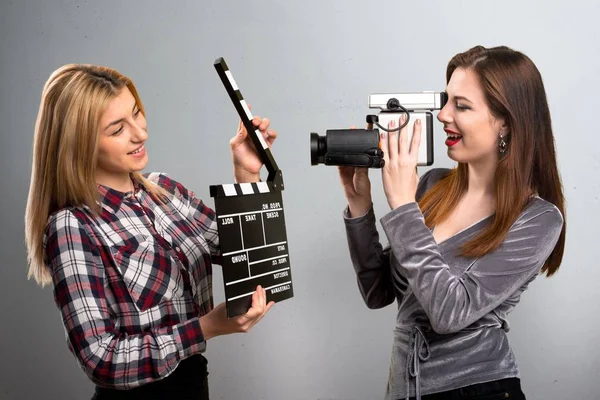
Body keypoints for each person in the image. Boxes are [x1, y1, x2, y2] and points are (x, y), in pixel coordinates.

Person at [24, 64, 277, 399]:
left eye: (136, 113)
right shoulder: (72, 225)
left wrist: (246, 173)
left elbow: (247, 257)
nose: (140, 133)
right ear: (79, 143)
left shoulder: (165, 191)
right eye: (117, 129)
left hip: (193, 385)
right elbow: (100, 359)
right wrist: (206, 328)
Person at [339, 45, 566, 400]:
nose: (443, 115)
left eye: (461, 106)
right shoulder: (432, 186)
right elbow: (378, 292)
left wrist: (402, 205)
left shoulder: (538, 220)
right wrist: (359, 205)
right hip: (404, 389)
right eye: (446, 101)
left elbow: (450, 312)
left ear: (505, 121)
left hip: (477, 390)